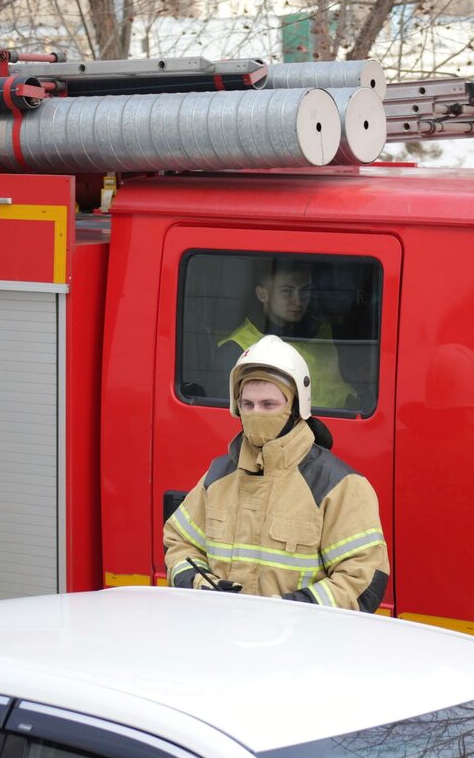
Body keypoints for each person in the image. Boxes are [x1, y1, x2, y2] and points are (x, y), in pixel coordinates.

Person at [163, 335, 390, 611]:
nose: (256, 414)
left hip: (302, 647)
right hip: (223, 640)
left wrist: (290, 611)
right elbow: (180, 544)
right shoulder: (218, 477)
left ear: (296, 407)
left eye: (268, 405)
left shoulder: (338, 485)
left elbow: (363, 577)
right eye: (248, 405)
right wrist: (205, 588)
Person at [216, 259, 358, 410]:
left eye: (304, 290)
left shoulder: (325, 331)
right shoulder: (237, 348)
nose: (298, 301)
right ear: (262, 294)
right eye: (287, 291)